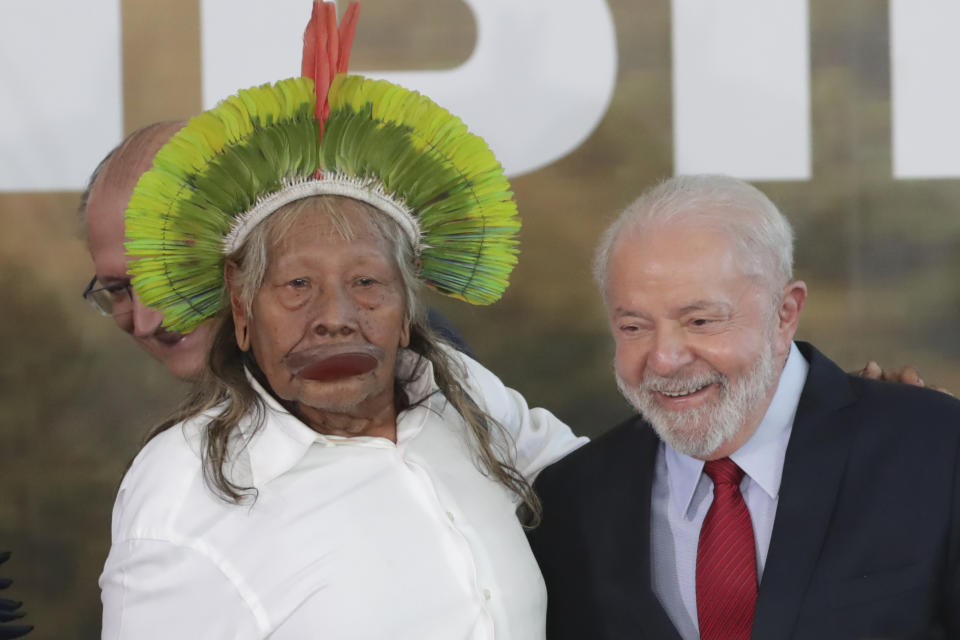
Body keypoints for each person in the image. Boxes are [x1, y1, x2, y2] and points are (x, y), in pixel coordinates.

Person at [99, 3, 585, 637]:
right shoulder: (181, 486)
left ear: (409, 305)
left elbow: (599, 492)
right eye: (297, 285)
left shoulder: (457, 396)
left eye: (367, 283)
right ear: (242, 307)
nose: (335, 317)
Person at [527, 174, 960, 639]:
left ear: (785, 312)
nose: (665, 359)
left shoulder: (936, 448)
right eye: (633, 327)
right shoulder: (570, 500)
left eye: (700, 321)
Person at [81, 124, 475, 382]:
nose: (147, 321)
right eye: (118, 289)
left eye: (171, 276)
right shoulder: (180, 464)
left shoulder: (401, 363)